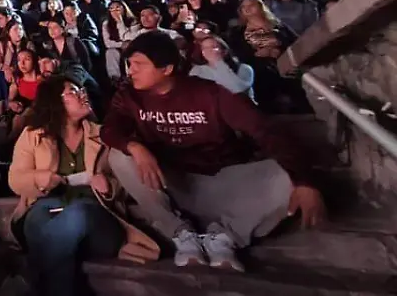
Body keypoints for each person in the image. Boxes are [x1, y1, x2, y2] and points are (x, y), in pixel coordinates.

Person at [100, 32, 326, 272]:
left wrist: (304, 180)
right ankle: (180, 233)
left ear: (166, 68)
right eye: (130, 64)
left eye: (139, 64)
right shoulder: (129, 95)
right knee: (119, 156)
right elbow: (109, 130)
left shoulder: (209, 93)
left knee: (288, 178)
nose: (131, 70)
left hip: (223, 181)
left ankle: (223, 238)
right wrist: (135, 147)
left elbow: (265, 131)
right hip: (174, 183)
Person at [9, 75, 157, 296]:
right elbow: (15, 180)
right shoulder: (34, 135)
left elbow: (129, 182)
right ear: (56, 102)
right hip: (47, 206)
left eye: (81, 89)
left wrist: (110, 187)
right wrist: (40, 179)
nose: (82, 94)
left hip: (98, 221)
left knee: (78, 213)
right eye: (72, 91)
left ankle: (27, 278)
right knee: (37, 219)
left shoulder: (103, 135)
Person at [190, 36, 255, 100]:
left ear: (225, 51)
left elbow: (238, 90)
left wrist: (218, 62)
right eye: (204, 48)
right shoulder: (197, 70)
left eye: (213, 47)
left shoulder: (244, 68)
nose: (208, 51)